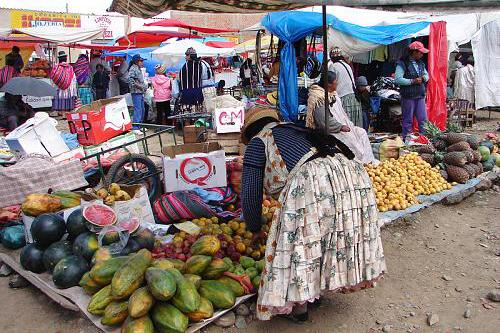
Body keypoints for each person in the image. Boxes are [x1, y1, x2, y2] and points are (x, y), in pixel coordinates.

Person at [240, 107, 385, 321]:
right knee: (327, 235)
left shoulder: (258, 142)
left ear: (251, 131)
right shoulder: (295, 130)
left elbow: (250, 192)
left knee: (303, 241)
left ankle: (300, 308)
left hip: (313, 180)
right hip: (351, 176)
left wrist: (253, 228)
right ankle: (316, 292)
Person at [307, 71, 376, 164]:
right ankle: (360, 165)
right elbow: (323, 122)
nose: (337, 85)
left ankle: (369, 162)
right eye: (336, 83)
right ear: (328, 84)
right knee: (353, 144)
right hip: (329, 132)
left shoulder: (332, 93)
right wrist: (340, 126)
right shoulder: (318, 98)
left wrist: (347, 124)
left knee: (362, 133)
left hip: (341, 126)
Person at [395, 41, 429, 140]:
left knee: (423, 120)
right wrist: (412, 81)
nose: (422, 55)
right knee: (408, 120)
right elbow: (398, 79)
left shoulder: (421, 64)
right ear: (414, 52)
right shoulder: (402, 64)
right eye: (420, 52)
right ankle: (406, 140)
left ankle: (424, 140)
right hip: (408, 96)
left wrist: (423, 78)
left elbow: (427, 76)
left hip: (420, 95)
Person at [328, 47, 363, 127]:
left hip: (343, 98)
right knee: (354, 125)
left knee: (345, 124)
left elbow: (330, 83)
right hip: (353, 98)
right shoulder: (347, 65)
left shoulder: (333, 66)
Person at [50, 51, 78, 117]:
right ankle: (66, 113)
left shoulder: (56, 67)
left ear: (59, 59)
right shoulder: (70, 67)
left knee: (59, 97)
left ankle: (59, 111)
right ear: (66, 59)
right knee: (67, 97)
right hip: (68, 87)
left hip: (59, 87)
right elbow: (73, 78)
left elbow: (52, 77)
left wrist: (59, 83)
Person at [128, 54, 148, 130]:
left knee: (142, 109)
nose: (142, 62)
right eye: (141, 61)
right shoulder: (133, 69)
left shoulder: (138, 68)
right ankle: (135, 127)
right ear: (137, 61)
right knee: (138, 109)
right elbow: (130, 81)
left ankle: (140, 125)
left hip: (140, 92)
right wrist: (140, 86)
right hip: (136, 92)